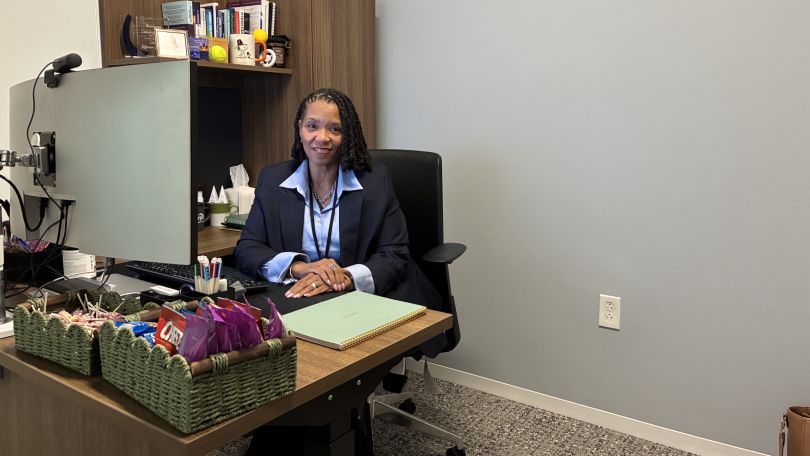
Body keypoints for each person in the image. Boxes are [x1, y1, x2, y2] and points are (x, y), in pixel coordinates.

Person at [234, 88, 440, 309]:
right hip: (301, 297)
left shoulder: (375, 181)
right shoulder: (273, 179)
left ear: (347, 135)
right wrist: (299, 268)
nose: (322, 138)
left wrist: (346, 277)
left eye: (335, 129)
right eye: (312, 126)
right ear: (300, 128)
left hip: (366, 299)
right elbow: (247, 247)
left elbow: (395, 253)